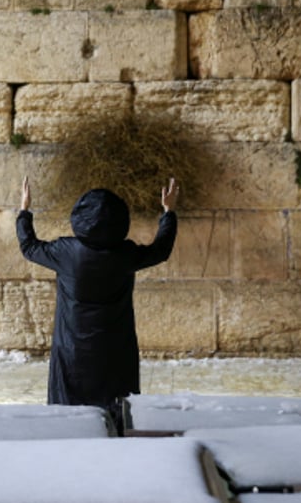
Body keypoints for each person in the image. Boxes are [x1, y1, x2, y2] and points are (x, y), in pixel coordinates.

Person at [16, 176, 179, 435]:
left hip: (72, 345)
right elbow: (161, 250)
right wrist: (168, 212)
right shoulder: (125, 254)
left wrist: (24, 211)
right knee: (114, 406)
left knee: (68, 407)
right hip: (115, 346)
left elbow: (29, 246)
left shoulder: (65, 252)